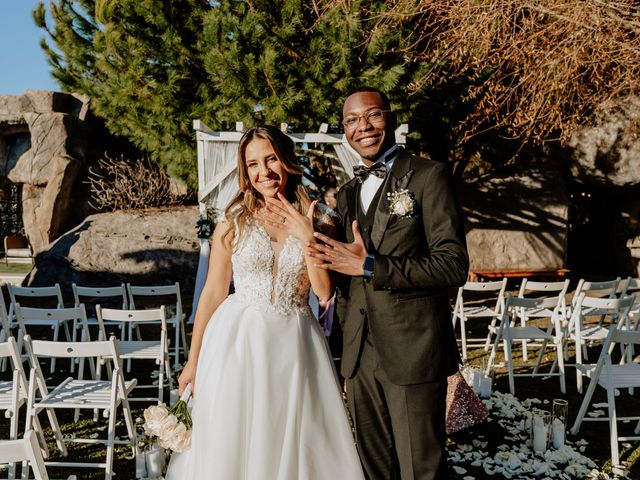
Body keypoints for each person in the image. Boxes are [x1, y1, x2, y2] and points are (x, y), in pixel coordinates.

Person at [166, 125, 364, 479]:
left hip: (295, 343)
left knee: (294, 439)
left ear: (287, 160)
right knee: (235, 439)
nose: (264, 171)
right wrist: (192, 362)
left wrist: (307, 237)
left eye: (271, 159)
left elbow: (323, 294)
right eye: (253, 163)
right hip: (238, 344)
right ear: (245, 171)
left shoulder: (318, 217)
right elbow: (212, 292)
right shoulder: (232, 221)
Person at [308, 87, 469, 479]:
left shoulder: (429, 176)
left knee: (420, 469)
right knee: (374, 469)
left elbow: (453, 265)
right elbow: (339, 277)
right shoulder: (345, 195)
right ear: (344, 130)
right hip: (359, 355)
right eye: (352, 120)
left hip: (412, 349)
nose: (363, 126)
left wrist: (372, 266)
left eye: (373, 115)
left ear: (390, 119)